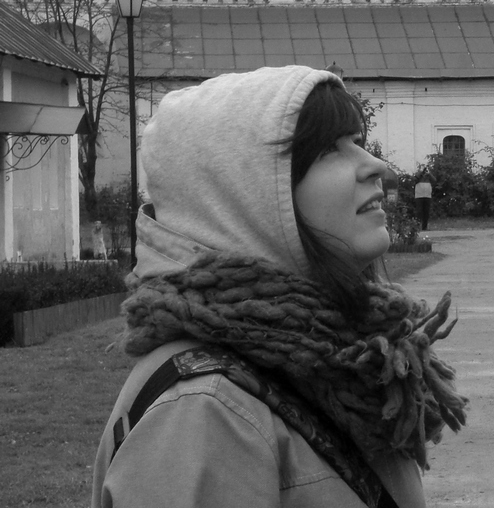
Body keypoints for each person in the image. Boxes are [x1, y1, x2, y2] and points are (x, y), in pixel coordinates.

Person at [91, 66, 467, 508]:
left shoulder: (332, 356)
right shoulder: (204, 411)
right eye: (329, 149)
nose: (375, 166)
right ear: (242, 194)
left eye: (356, 142)